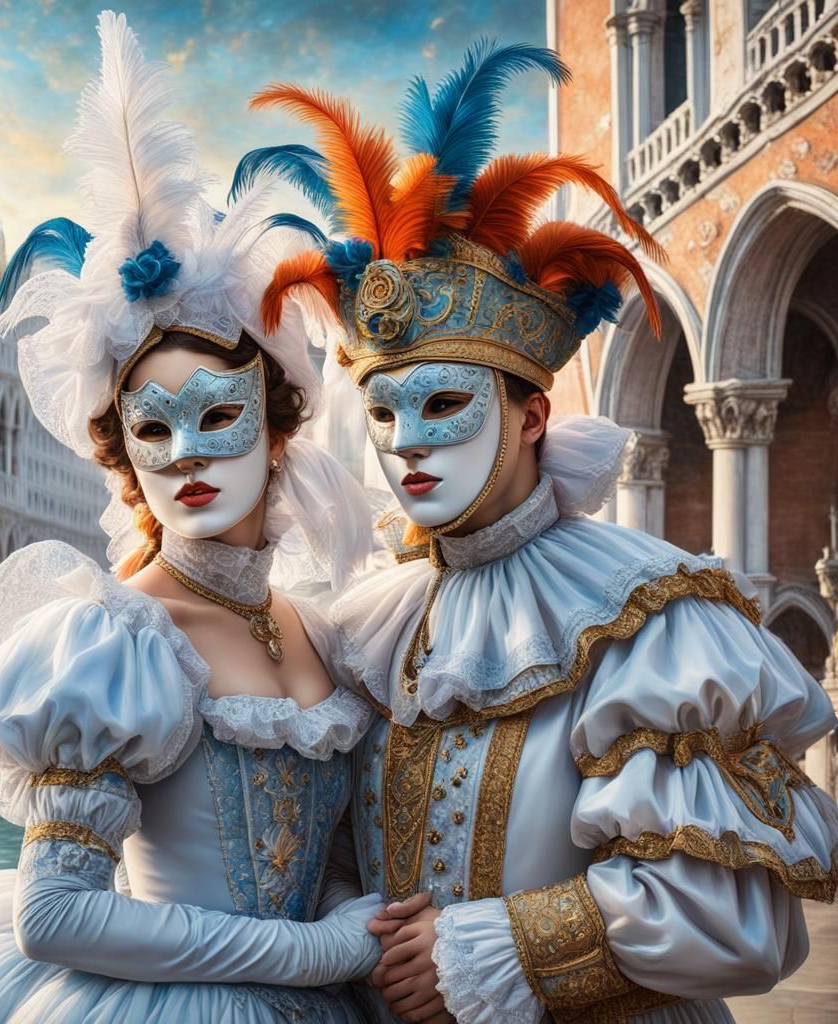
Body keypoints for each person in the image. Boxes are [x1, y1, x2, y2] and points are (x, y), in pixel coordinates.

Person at [250, 39, 838, 1024]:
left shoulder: (651, 617)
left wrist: (485, 950)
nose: (407, 445)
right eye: (385, 413)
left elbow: (732, 916)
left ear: (531, 416)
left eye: (443, 402)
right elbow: (333, 849)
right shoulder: (367, 626)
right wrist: (365, 932)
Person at [0, 12, 384, 1023]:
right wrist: (308, 951)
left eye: (217, 417)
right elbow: (58, 917)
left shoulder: (318, 629)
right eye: (150, 430)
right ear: (120, 450)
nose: (185, 456)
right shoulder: (113, 635)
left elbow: (314, 858)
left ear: (277, 430)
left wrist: (354, 924)